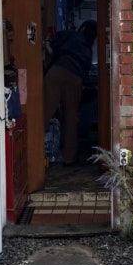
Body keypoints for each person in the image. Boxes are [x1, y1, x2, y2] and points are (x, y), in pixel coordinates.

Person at [43, 20, 97, 164]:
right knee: (71, 117)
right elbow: (85, 74)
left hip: (56, 72)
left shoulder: (69, 34)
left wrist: (47, 44)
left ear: (82, 28)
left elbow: (52, 45)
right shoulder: (88, 49)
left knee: (45, 112)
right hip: (75, 77)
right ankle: (69, 157)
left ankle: (35, 152)